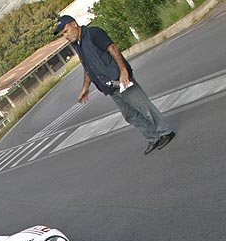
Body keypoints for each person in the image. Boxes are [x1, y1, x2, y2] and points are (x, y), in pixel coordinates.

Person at [54, 15, 174, 155]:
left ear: (74, 24)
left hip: (119, 79)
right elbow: (88, 68)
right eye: (63, 34)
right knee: (130, 115)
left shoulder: (93, 33)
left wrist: (123, 71)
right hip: (109, 86)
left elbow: (113, 48)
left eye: (66, 31)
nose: (65, 36)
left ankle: (165, 132)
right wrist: (85, 87)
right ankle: (153, 137)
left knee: (143, 107)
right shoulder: (77, 45)